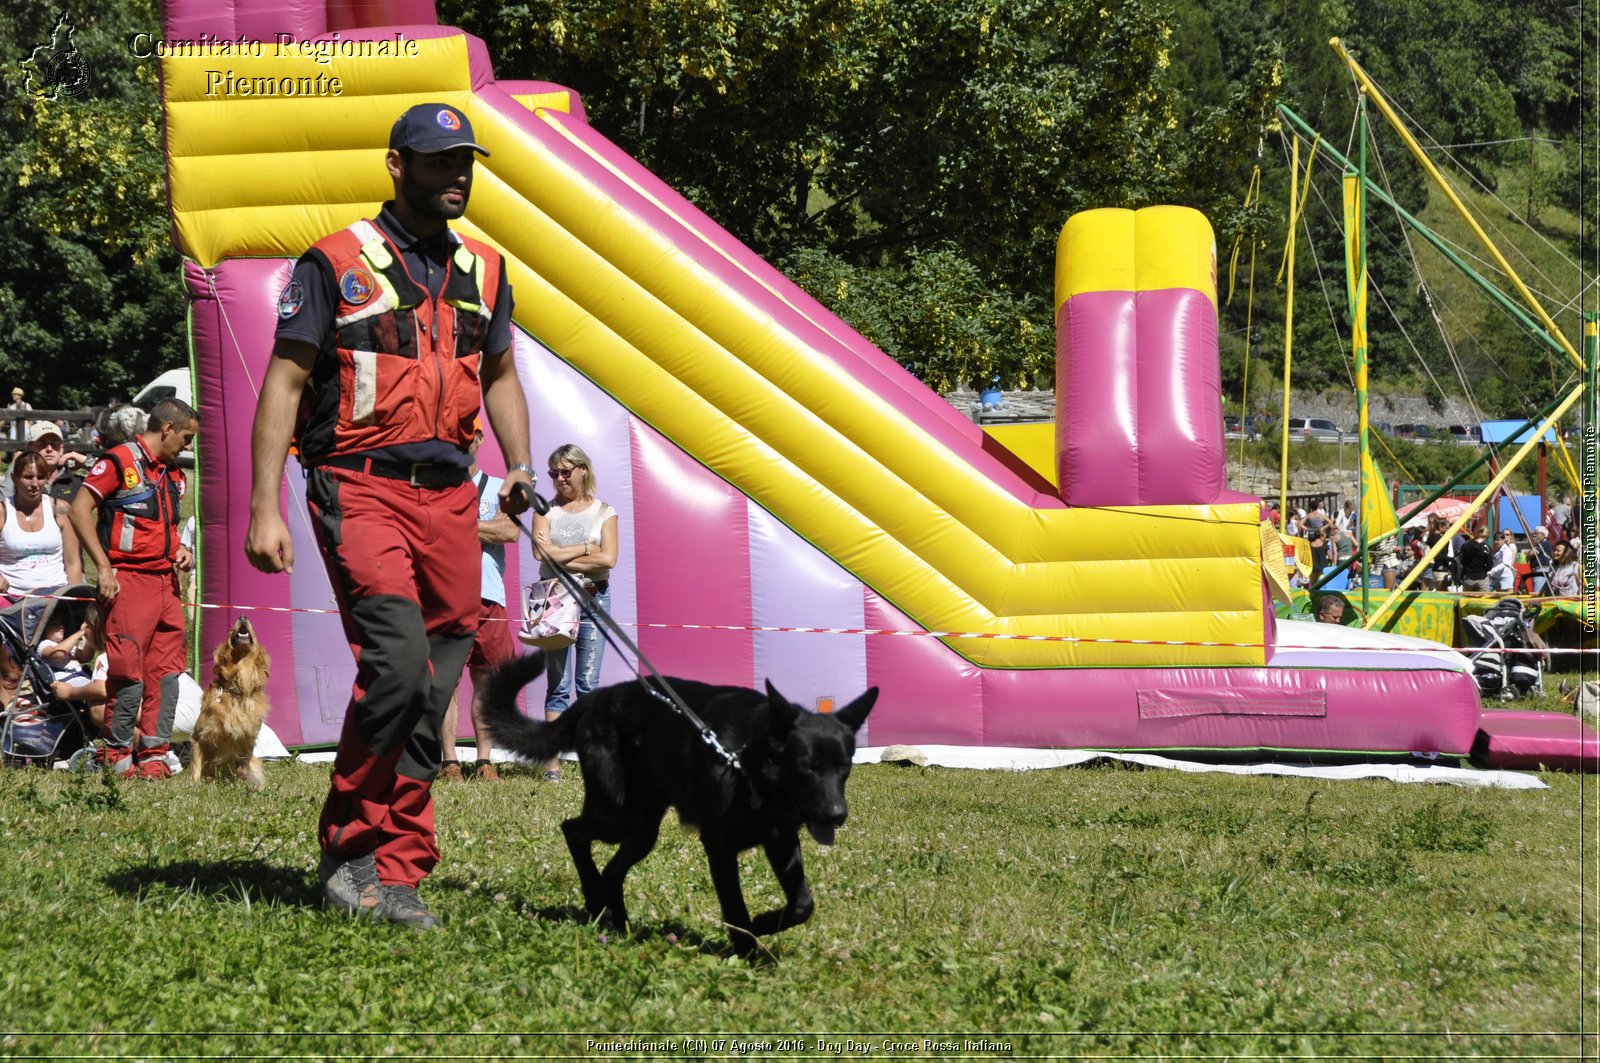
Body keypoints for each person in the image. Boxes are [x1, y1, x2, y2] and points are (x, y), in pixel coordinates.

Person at [245, 102, 533, 931]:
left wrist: (516, 466)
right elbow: (285, 385)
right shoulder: (334, 262)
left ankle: (398, 869)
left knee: (435, 683)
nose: (457, 176)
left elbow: (502, 374)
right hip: (357, 483)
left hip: (452, 494)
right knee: (401, 666)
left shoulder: (485, 268)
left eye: (465, 162)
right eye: (439, 162)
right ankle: (348, 844)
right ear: (396, 165)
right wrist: (265, 506)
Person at [68, 398, 199, 779]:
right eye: (187, 438)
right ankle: (118, 757)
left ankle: (154, 756)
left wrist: (181, 551)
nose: (188, 446)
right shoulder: (118, 461)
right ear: (168, 429)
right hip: (128, 582)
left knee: (167, 673)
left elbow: (165, 528)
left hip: (166, 586)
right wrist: (104, 568)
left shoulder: (174, 475)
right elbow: (78, 510)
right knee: (127, 671)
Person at [438, 422, 520, 784]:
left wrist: (460, 526)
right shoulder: (438, 486)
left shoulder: (498, 487)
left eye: (468, 434)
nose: (463, 440)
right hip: (445, 596)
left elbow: (510, 531)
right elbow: (430, 529)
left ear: (480, 438)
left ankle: (484, 761)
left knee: (488, 683)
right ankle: (450, 762)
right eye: (456, 435)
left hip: (490, 598)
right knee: (446, 682)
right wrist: (483, 525)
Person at [533, 443, 618, 783]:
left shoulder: (604, 512)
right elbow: (541, 557)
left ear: (584, 470)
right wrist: (586, 549)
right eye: (554, 473)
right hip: (555, 601)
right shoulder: (545, 510)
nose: (559, 479)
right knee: (558, 685)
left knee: (588, 684)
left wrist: (560, 552)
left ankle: (592, 762)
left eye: (566, 472)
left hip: (594, 599)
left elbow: (608, 559)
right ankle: (552, 766)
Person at [0, 451, 82, 598]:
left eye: (41, 477)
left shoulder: (60, 510)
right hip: (11, 599)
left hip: (55, 597)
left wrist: (74, 600)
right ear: (14, 478)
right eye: (28, 477)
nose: (35, 484)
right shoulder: (3, 512)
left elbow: (73, 562)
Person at [27, 422, 90, 505]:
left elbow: (108, 477)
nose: (49, 449)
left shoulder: (75, 482)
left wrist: (85, 460)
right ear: (30, 449)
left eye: (54, 444)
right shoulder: (22, 481)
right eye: (42, 444)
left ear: (61, 449)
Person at [1456, 526, 1493, 593]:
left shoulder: (1467, 545)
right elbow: (1489, 565)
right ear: (1487, 536)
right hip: (1481, 578)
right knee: (1482, 601)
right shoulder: (1486, 547)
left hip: (1468, 577)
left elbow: (1462, 559)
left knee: (1467, 600)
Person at [1525, 525, 1554, 594]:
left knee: (1538, 591)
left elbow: (1532, 553)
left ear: (1542, 534)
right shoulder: (1539, 544)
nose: (1534, 535)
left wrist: (1528, 552)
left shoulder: (1544, 543)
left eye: (1536, 533)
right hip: (1537, 570)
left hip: (1541, 570)